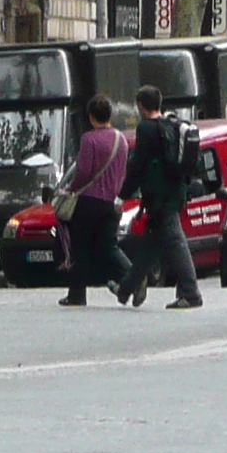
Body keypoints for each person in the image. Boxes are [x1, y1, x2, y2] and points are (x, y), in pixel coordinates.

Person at [120, 86, 206, 309]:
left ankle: (191, 293)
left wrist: (122, 195)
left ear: (141, 106)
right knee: (151, 243)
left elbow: (138, 165)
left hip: (160, 197)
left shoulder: (147, 129)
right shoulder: (173, 124)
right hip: (175, 192)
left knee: (175, 241)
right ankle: (125, 289)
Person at [61, 95, 135, 307]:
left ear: (92, 117)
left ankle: (77, 294)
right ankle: (133, 275)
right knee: (108, 246)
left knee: (80, 247)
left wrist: (72, 189)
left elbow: (83, 172)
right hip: (112, 202)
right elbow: (122, 172)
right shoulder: (121, 140)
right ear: (109, 115)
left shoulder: (89, 139)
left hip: (89, 201)